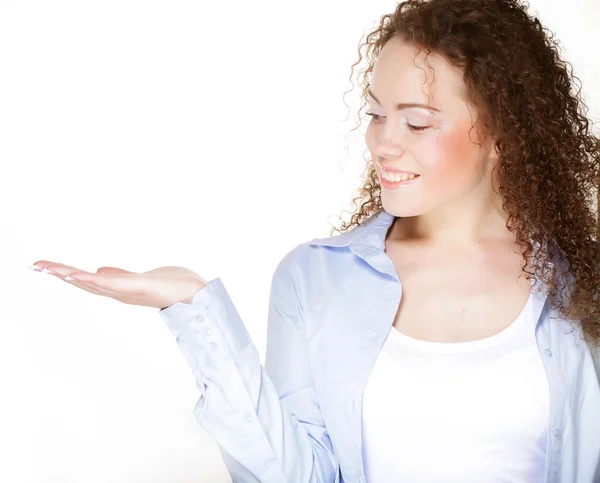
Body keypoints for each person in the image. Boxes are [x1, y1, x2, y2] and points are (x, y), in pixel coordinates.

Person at [30, 0, 600, 481]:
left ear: (504, 131)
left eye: (418, 122)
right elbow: (295, 473)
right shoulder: (316, 278)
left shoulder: (583, 281)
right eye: (377, 115)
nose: (384, 143)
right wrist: (193, 307)